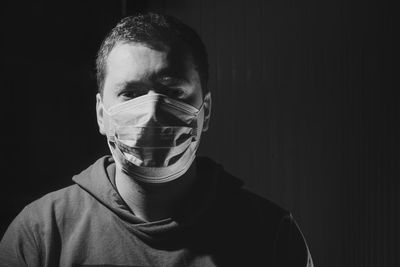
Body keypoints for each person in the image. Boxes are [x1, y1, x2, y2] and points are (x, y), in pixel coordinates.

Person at [0, 13, 313, 267]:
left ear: (206, 111)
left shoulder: (270, 235)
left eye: (173, 92)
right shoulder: (41, 233)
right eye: (131, 93)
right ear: (101, 113)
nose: (150, 113)